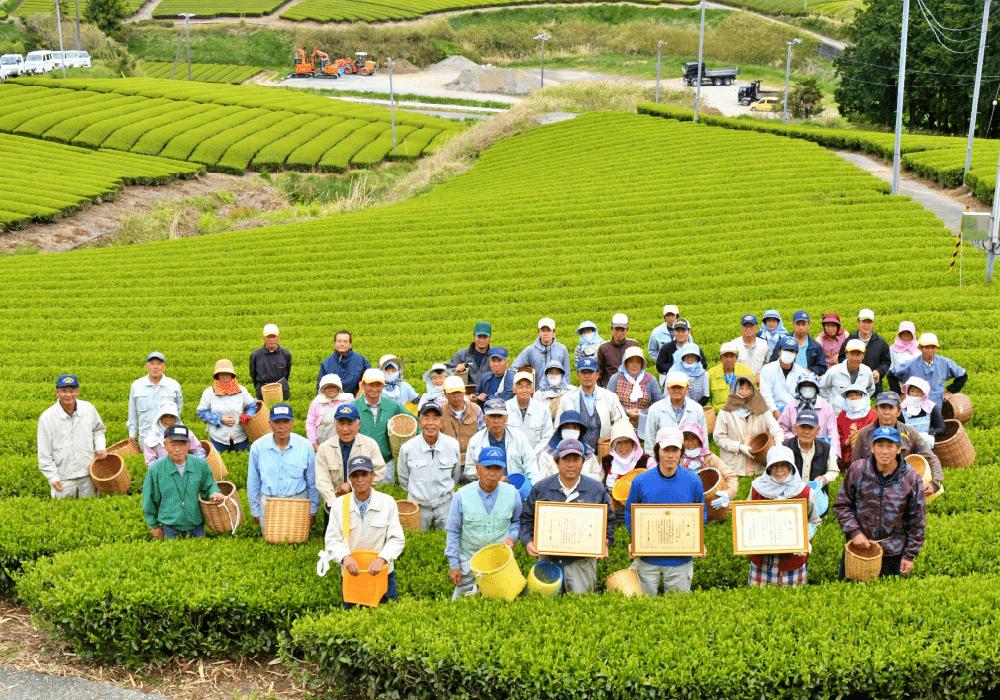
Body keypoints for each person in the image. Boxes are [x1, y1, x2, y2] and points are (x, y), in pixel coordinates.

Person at [521, 438, 616, 594]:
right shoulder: (541, 488)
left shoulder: (596, 489)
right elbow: (526, 520)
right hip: (548, 561)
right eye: (566, 459)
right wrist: (527, 541)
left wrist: (604, 542)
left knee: (581, 610)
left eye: (576, 459)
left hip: (581, 564)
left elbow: (609, 523)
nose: (571, 464)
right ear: (557, 462)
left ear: (583, 462)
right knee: (545, 609)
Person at [834, 426, 926, 579]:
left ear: (898, 449)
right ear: (872, 447)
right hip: (859, 550)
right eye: (880, 445)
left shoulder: (911, 478)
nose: (884, 451)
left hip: (893, 555)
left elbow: (917, 521)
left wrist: (910, 555)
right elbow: (842, 505)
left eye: (890, 446)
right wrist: (855, 532)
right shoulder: (858, 470)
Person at [624, 427, 705, 595]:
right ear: (657, 451)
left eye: (675, 450)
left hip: (680, 559)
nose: (670, 455)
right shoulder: (641, 481)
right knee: (644, 607)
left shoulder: (693, 481)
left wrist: (697, 540)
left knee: (677, 609)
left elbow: (700, 514)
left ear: (681, 452)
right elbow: (630, 513)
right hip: (647, 558)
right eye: (665, 449)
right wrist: (635, 539)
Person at [322, 456, 406, 609]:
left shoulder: (387, 502)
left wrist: (382, 559)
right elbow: (332, 540)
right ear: (349, 479)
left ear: (373, 476)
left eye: (364, 474)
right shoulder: (339, 505)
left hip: (382, 576)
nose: (360, 479)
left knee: (385, 623)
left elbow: (397, 539)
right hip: (352, 577)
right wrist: (345, 558)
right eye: (355, 475)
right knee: (352, 624)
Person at [445, 446, 521, 599]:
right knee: (460, 610)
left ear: (503, 471)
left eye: (497, 468)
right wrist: (454, 565)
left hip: (501, 566)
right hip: (469, 567)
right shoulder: (461, 495)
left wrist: (512, 537)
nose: (492, 473)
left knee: (504, 608)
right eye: (487, 468)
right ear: (478, 469)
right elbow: (453, 531)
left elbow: (517, 522)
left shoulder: (513, 493)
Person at [747, 445, 821, 587]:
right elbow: (748, 515)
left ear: (791, 466)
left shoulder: (805, 492)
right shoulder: (757, 488)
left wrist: (804, 539)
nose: (779, 470)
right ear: (768, 468)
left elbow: (814, 520)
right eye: (774, 466)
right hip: (763, 560)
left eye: (784, 465)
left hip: (792, 559)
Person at [850, 392, 943, 497]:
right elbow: (855, 465)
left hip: (904, 491)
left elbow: (931, 458)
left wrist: (934, 484)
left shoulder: (910, 433)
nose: (886, 412)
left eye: (891, 408)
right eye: (883, 407)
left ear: (899, 411)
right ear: (876, 409)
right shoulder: (865, 433)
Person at [142, 424, 224, 540]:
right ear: (165, 445)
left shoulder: (201, 465)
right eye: (173, 444)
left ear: (189, 444)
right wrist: (154, 525)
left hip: (197, 525)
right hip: (170, 528)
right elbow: (149, 498)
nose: (177, 450)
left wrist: (215, 493)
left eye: (182, 444)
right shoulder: (156, 470)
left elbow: (210, 485)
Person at [247, 404, 320, 532]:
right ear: (269, 423)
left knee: (297, 544)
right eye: (277, 422)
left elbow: (312, 482)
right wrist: (256, 511)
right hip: (269, 503)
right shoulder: (258, 447)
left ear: (292, 423)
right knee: (270, 543)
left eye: (286, 422)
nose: (281, 427)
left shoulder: (305, 446)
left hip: (298, 503)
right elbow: (253, 481)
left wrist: (313, 510)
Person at [37, 374, 106, 500]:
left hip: (88, 474)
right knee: (63, 515)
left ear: (78, 391)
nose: (68, 395)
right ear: (57, 392)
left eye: (72, 390)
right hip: (63, 478)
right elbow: (44, 453)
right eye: (64, 391)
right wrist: (52, 477)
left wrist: (100, 447)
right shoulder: (47, 417)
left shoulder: (88, 409)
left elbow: (99, 430)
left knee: (90, 512)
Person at [397, 403, 462, 531]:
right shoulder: (407, 448)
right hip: (419, 506)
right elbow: (404, 479)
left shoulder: (453, 445)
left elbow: (455, 475)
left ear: (442, 422)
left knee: (445, 543)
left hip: (445, 506)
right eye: (426, 418)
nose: (430, 423)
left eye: (435, 418)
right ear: (420, 422)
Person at [315, 404, 386, 511]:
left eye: (350, 423)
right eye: (341, 423)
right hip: (333, 505)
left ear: (358, 424)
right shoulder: (324, 449)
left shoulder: (370, 445)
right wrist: (334, 504)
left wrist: (351, 486)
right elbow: (322, 481)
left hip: (363, 502)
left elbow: (379, 471)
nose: (345, 429)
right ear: (335, 424)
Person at [353, 368, 415, 485]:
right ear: (363, 385)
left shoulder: (392, 405)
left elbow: (412, 421)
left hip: (386, 462)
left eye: (378, 385)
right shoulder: (353, 406)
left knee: (385, 495)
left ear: (383, 386)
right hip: (360, 462)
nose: (374, 389)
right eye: (371, 385)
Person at [713, 375, 783, 476]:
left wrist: (779, 443)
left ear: (753, 390)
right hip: (734, 468)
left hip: (759, 468)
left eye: (748, 388)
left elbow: (775, 427)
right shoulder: (725, 412)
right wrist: (739, 447)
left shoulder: (762, 409)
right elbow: (719, 438)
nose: (745, 392)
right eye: (741, 388)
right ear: (735, 390)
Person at [557, 357, 627, 453]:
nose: (587, 376)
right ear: (578, 375)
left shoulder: (610, 397)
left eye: (590, 372)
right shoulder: (567, 398)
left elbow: (622, 421)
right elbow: (557, 427)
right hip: (575, 453)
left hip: (604, 453)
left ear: (597, 375)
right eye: (583, 372)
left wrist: (612, 437)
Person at [464, 399, 540, 485]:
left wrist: (534, 490)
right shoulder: (475, 440)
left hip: (516, 487)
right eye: (492, 416)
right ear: (485, 419)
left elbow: (531, 466)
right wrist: (492, 477)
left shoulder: (519, 437)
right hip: (486, 488)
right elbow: (469, 470)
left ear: (506, 418)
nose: (496, 421)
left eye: (500, 416)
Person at [888, 333, 968, 409]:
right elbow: (891, 375)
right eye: (927, 347)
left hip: (936, 407)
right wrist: (901, 395)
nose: (930, 350)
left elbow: (963, 375)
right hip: (914, 408)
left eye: (933, 347)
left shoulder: (945, 363)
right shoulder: (910, 364)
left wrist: (949, 391)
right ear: (920, 348)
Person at [196, 359, 258, 453]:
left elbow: (252, 406)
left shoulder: (241, 391)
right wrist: (220, 419)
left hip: (239, 435)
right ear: (217, 376)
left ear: (232, 375)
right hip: (218, 437)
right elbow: (202, 412)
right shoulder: (209, 392)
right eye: (221, 374)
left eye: (227, 374)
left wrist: (248, 415)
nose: (225, 377)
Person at [127, 351, 183, 452]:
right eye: (152, 364)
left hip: (167, 437)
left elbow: (177, 410)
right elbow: (132, 412)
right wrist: (132, 434)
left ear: (164, 367)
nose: (155, 367)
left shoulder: (174, 385)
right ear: (146, 367)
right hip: (145, 436)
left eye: (159, 364)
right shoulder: (137, 385)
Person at [777, 372, 840, 460]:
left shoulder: (826, 407)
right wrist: (796, 439)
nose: (807, 388)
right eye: (804, 385)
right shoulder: (791, 406)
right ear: (799, 388)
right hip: (795, 448)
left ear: (816, 388)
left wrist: (835, 454)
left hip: (820, 448)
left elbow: (833, 432)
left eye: (810, 385)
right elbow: (781, 428)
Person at [680, 422, 737, 512]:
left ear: (700, 439)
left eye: (694, 438)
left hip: (709, 505)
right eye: (686, 439)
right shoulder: (677, 459)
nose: (690, 443)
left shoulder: (709, 458)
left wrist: (728, 494)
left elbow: (731, 476)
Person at [644, 371, 706, 455]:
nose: (676, 390)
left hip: (691, 460)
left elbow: (703, 437)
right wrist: (652, 463)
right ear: (667, 389)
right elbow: (649, 440)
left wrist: (703, 458)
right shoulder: (655, 409)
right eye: (673, 387)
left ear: (687, 388)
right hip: (664, 459)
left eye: (680, 387)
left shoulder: (697, 409)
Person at [607, 346, 662, 435]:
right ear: (626, 363)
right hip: (621, 420)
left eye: (638, 362)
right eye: (631, 361)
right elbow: (609, 402)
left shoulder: (650, 379)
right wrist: (626, 411)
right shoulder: (615, 378)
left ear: (642, 364)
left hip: (645, 421)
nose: (635, 365)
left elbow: (659, 403)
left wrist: (642, 413)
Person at [782, 409, 838, 491]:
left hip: (817, 494)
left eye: (811, 428)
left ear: (818, 430)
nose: (806, 432)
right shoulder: (785, 448)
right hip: (790, 494)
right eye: (802, 427)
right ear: (795, 428)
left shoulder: (826, 448)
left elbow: (834, 471)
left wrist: (825, 478)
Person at [837, 309, 892, 392]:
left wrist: (879, 372)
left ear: (873, 324)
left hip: (874, 388)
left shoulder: (881, 343)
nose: (866, 325)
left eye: (869, 322)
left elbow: (886, 362)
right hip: (852, 386)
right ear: (858, 323)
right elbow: (841, 358)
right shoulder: (849, 340)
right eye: (863, 322)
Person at [537, 411, 601, 480]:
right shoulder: (547, 455)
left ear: (580, 431)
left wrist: (586, 477)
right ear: (560, 430)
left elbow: (598, 476)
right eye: (567, 427)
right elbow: (542, 480)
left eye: (574, 428)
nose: (571, 430)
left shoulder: (588, 453)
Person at [601, 420, 651, 506]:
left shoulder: (647, 462)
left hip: (639, 513)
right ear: (613, 444)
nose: (623, 447)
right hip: (612, 515)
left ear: (633, 443)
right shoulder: (606, 462)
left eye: (627, 441)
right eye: (619, 442)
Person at [820, 339, 876, 415]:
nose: (854, 358)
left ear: (863, 356)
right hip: (837, 414)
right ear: (846, 354)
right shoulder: (834, 371)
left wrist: (861, 402)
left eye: (858, 355)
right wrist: (830, 403)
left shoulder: (867, 371)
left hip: (860, 415)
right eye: (851, 354)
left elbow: (870, 389)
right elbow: (822, 387)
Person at [143, 401, 206, 466]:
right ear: (160, 418)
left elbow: (198, 451)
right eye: (165, 416)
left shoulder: (185, 433)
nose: (169, 420)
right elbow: (150, 463)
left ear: (176, 418)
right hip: (163, 473)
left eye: (172, 416)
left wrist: (197, 466)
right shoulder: (151, 438)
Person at [758, 337, 807, 419]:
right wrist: (774, 411)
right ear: (779, 351)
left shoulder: (802, 373)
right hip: (772, 413)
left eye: (792, 351)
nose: (789, 353)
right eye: (786, 350)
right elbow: (766, 394)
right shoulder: (767, 369)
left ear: (796, 354)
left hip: (796, 413)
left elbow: (803, 396)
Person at [505, 371, 553, 452]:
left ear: (533, 389)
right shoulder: (505, 408)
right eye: (520, 386)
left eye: (528, 386)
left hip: (536, 459)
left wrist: (532, 456)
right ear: (513, 389)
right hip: (510, 458)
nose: (524, 390)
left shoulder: (543, 409)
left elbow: (547, 437)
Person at [768, 310, 826, 376]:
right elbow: (773, 363)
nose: (800, 327)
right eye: (798, 324)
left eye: (803, 324)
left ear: (808, 325)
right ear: (793, 325)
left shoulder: (815, 346)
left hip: (806, 381)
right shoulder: (782, 343)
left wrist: (809, 371)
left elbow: (822, 367)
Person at [306, 374, 353, 451]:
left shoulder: (348, 399)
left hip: (346, 443)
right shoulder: (317, 402)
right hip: (324, 443)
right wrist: (314, 443)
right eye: (327, 387)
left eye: (334, 386)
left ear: (338, 388)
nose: (330, 389)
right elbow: (310, 423)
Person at [316, 330, 370, 396]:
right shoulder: (327, 363)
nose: (342, 344)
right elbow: (320, 386)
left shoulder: (360, 359)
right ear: (334, 344)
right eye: (339, 341)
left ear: (350, 344)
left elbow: (370, 377)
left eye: (345, 341)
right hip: (333, 400)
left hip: (355, 399)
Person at [442, 376, 484, 460]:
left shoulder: (476, 409)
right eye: (452, 392)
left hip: (473, 459)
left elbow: (483, 434)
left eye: (459, 392)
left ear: (464, 392)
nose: (456, 396)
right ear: (445, 394)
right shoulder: (440, 412)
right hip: (448, 459)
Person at [655, 319, 707, 383]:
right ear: (674, 332)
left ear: (689, 332)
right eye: (677, 331)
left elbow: (703, 365)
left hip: (692, 382)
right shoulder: (666, 348)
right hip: (671, 382)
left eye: (683, 331)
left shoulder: (695, 349)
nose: (680, 334)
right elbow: (660, 366)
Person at [706, 342, 753, 412]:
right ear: (720, 358)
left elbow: (754, 395)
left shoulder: (746, 372)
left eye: (732, 356)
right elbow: (707, 399)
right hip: (719, 414)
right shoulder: (711, 374)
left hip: (742, 413)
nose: (729, 360)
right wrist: (712, 413)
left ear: (736, 358)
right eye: (726, 356)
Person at [249, 324, 291, 401]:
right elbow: (253, 374)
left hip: (282, 392)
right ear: (264, 338)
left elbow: (287, 373)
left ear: (278, 337)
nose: (271, 340)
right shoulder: (256, 355)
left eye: (274, 336)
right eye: (269, 337)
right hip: (262, 393)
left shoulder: (285, 353)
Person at [596, 313, 639, 388]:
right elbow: (599, 372)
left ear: (627, 330)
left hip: (631, 387)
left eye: (622, 330)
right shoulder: (603, 348)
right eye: (616, 329)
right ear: (611, 329)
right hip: (610, 388)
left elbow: (640, 368)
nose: (619, 333)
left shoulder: (633, 345)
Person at [900, 377, 945, 447]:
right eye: (912, 391)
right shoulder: (901, 408)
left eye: (919, 391)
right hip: (906, 446)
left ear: (924, 394)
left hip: (926, 446)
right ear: (907, 392)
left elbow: (941, 427)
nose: (915, 394)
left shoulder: (930, 407)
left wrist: (932, 433)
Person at [447, 321, 493, 389]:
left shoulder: (494, 356)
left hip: (487, 394)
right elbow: (445, 371)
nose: (481, 340)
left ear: (490, 337)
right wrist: (455, 370)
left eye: (485, 337)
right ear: (473, 336)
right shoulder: (462, 354)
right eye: (479, 337)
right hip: (465, 394)